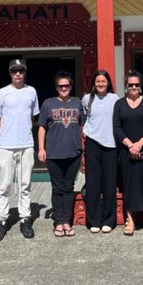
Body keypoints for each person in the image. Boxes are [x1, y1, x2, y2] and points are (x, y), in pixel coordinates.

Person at [0, 58, 39, 241]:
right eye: (14, 70)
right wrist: (3, 136)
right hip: (6, 146)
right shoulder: (1, 93)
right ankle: (1, 221)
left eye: (21, 70)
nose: (18, 73)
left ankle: (25, 218)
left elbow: (33, 116)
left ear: (25, 72)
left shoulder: (31, 91)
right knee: (4, 185)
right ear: (10, 73)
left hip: (26, 144)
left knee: (25, 184)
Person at [38, 72, 84, 237]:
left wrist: (84, 148)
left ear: (70, 87)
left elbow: (85, 125)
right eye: (60, 86)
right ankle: (58, 222)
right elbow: (42, 126)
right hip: (54, 153)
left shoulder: (78, 103)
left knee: (69, 187)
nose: (63, 88)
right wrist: (41, 148)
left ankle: (67, 221)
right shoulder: (48, 104)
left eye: (66, 86)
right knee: (57, 187)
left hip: (74, 152)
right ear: (56, 88)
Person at [113, 70, 143, 236]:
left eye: (136, 85)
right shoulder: (119, 104)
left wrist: (139, 143)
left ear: (140, 86)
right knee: (128, 184)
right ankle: (130, 219)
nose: (133, 87)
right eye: (130, 85)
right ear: (126, 86)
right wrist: (130, 144)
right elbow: (116, 127)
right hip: (126, 151)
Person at [82, 69, 119, 234]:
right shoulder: (87, 99)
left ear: (108, 83)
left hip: (111, 145)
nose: (101, 84)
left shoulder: (115, 99)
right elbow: (84, 120)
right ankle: (94, 220)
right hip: (92, 144)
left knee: (109, 184)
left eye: (104, 81)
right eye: (98, 81)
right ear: (94, 83)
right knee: (93, 184)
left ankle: (108, 220)